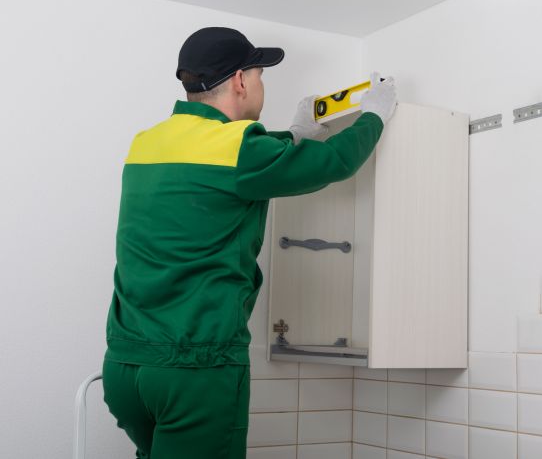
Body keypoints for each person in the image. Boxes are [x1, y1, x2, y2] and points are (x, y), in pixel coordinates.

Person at [102, 26, 396, 459]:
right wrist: (373, 116)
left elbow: (237, 166)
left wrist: (296, 133)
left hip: (126, 368)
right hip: (194, 370)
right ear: (241, 80)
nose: (260, 86)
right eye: (260, 75)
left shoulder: (145, 144)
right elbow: (335, 161)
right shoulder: (240, 147)